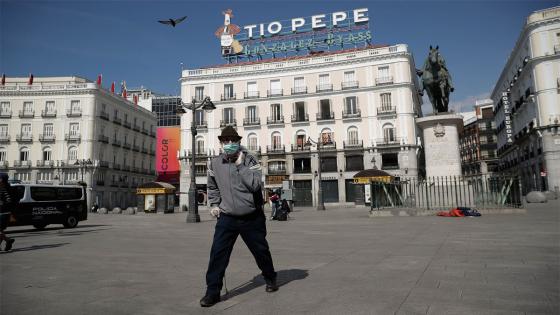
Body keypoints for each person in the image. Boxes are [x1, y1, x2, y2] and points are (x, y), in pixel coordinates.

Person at [200, 126, 278, 308]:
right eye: (225, 141)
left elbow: (255, 185)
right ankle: (212, 292)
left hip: (251, 216)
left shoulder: (251, 160)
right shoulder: (214, 163)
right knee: (217, 254)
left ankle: (270, 277)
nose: (228, 144)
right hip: (227, 217)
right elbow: (212, 187)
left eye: (232, 141)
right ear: (221, 143)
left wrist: (240, 166)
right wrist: (214, 204)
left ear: (238, 142)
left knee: (261, 251)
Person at [0, 173, 15, 251]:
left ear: (1, 179)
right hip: (5, 212)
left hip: (3, 213)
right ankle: (8, 241)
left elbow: (8, 200)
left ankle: (8, 240)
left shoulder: (4, 188)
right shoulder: (6, 187)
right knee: (1, 230)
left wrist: (2, 203)